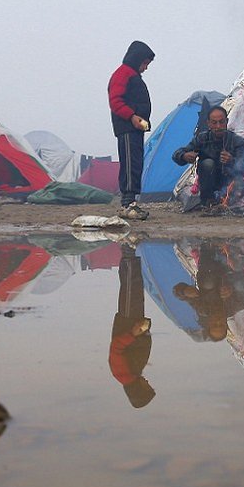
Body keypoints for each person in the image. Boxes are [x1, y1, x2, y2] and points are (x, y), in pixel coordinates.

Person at [108, 40, 155, 221]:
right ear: (137, 59)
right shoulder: (123, 74)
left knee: (135, 162)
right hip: (127, 127)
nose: (145, 68)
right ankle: (127, 203)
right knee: (129, 163)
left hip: (135, 127)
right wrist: (132, 116)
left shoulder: (132, 75)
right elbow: (116, 101)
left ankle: (131, 202)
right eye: (144, 63)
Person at [172, 106, 244, 212]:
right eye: (214, 123)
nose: (218, 126)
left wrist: (232, 160)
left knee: (241, 184)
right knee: (208, 163)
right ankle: (208, 201)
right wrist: (184, 156)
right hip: (207, 184)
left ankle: (223, 205)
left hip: (228, 183)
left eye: (221, 122)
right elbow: (177, 154)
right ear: (208, 123)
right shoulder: (202, 139)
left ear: (226, 122)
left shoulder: (237, 141)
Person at [109, 243, 156, 409]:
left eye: (147, 386)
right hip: (134, 323)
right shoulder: (133, 374)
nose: (148, 382)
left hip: (128, 322)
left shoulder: (122, 374)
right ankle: (130, 252)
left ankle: (128, 252)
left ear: (139, 390)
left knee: (131, 286)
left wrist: (133, 333)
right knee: (135, 288)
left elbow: (116, 347)